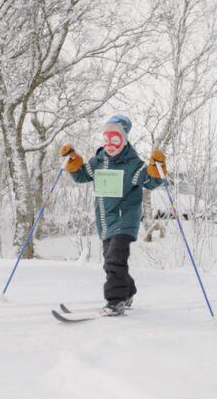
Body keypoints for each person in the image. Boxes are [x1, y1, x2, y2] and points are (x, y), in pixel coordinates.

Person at [58, 115, 165, 316]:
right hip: (105, 221)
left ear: (124, 140)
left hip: (125, 220)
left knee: (115, 259)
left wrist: (156, 170)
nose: (110, 144)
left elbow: (149, 181)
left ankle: (116, 301)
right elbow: (82, 176)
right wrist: (73, 163)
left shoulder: (133, 164)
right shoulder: (98, 162)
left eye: (115, 139)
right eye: (106, 139)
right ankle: (128, 292)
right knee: (110, 262)